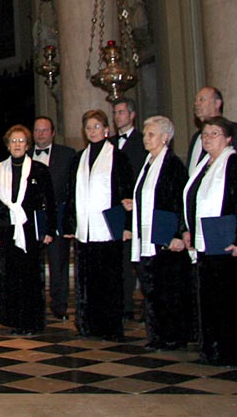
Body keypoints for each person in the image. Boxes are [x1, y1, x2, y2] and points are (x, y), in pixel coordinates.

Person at [183, 116, 237, 366]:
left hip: (229, 243)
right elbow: (194, 201)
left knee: (229, 301)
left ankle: (233, 352)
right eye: (205, 134)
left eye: (214, 134)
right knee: (210, 299)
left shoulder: (234, 164)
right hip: (207, 240)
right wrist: (189, 229)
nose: (207, 138)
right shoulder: (204, 166)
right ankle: (213, 350)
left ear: (228, 138)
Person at [63, 109, 134, 341]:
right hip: (85, 229)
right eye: (88, 127)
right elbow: (71, 195)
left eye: (96, 127)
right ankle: (88, 324)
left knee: (109, 279)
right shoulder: (79, 159)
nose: (92, 131)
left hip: (108, 228)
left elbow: (126, 193)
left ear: (106, 130)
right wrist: (70, 224)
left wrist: (127, 225)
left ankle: (110, 326)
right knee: (87, 280)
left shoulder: (118, 157)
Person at [128, 115, 191, 350]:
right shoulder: (148, 163)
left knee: (169, 290)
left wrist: (177, 233)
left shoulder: (173, 165)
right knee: (153, 289)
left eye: (151, 134)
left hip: (166, 238)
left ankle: (173, 336)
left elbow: (180, 202)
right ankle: (158, 335)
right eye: (145, 134)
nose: (146, 138)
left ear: (165, 138)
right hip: (148, 237)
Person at [0, 125, 55, 335]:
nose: (17, 144)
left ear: (27, 145)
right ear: (8, 145)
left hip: (31, 231)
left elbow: (48, 201)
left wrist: (49, 230)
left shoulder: (39, 170)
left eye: (21, 141)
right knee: (10, 277)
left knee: (31, 277)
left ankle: (31, 321)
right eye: (13, 141)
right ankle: (14, 321)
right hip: (7, 232)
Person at [31, 116, 76, 320]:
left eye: (45, 130)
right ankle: (35, 304)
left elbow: (72, 187)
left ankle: (59, 305)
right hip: (32, 218)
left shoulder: (67, 154)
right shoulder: (24, 155)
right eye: (37, 130)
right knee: (33, 263)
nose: (40, 134)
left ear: (53, 133)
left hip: (57, 215)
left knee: (59, 262)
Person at [111, 98, 146, 320]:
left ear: (132, 115)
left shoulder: (143, 142)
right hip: (115, 210)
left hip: (136, 209)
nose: (117, 116)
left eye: (121, 112)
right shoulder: (109, 144)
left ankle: (149, 306)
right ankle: (124, 305)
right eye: (115, 112)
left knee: (140, 260)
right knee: (120, 261)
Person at [187, 87, 237, 182]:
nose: (196, 104)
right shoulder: (196, 138)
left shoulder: (236, 132)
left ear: (217, 103)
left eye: (201, 99)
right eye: (196, 101)